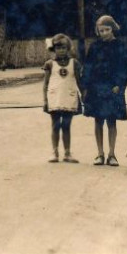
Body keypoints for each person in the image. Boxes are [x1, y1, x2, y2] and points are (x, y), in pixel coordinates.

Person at [83, 14, 127, 166]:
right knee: (98, 121)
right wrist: (85, 87)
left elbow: (126, 68)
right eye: (101, 30)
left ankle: (112, 154)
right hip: (96, 89)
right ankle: (100, 154)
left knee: (111, 121)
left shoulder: (121, 46)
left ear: (112, 28)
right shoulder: (94, 47)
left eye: (106, 29)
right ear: (97, 31)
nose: (104, 33)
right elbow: (87, 68)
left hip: (113, 89)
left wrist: (120, 84)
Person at [41, 33, 82, 163]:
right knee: (55, 125)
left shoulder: (74, 63)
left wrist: (84, 94)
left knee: (66, 125)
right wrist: (45, 100)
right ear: (54, 49)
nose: (61, 50)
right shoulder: (50, 64)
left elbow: (79, 81)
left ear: (68, 48)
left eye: (63, 48)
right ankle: (54, 152)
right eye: (58, 48)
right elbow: (45, 84)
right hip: (55, 99)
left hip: (69, 98)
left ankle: (67, 153)